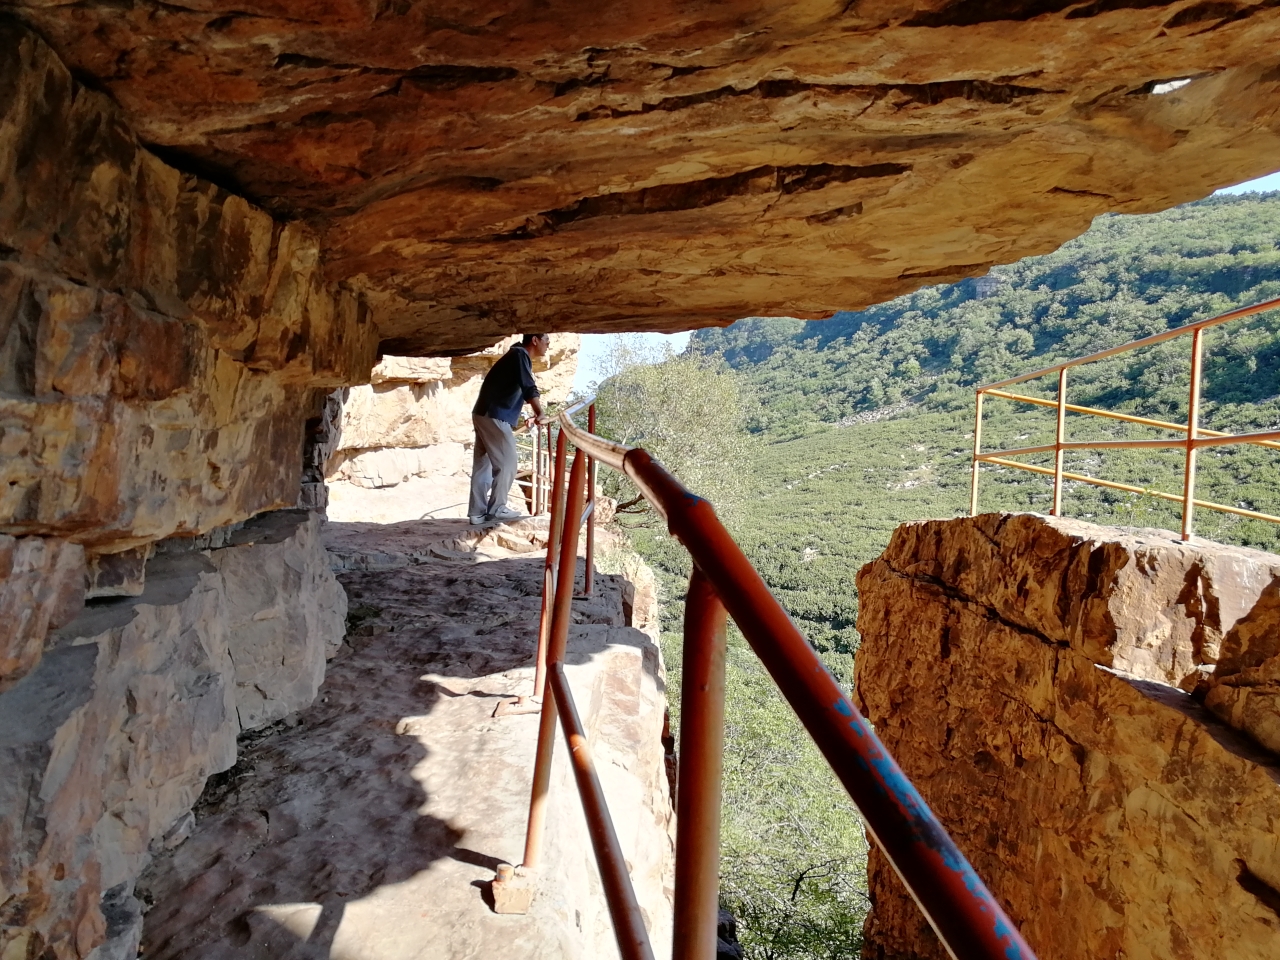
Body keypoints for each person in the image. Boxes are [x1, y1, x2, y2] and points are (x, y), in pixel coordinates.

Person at [469, 333, 551, 524]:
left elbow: (510, 389)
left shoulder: (514, 355)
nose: (548, 346)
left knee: (484, 465)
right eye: (547, 341)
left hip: (483, 413)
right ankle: (497, 509)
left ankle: (477, 513)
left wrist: (525, 416)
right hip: (494, 414)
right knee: (508, 463)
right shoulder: (520, 355)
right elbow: (528, 386)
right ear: (535, 340)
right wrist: (540, 413)